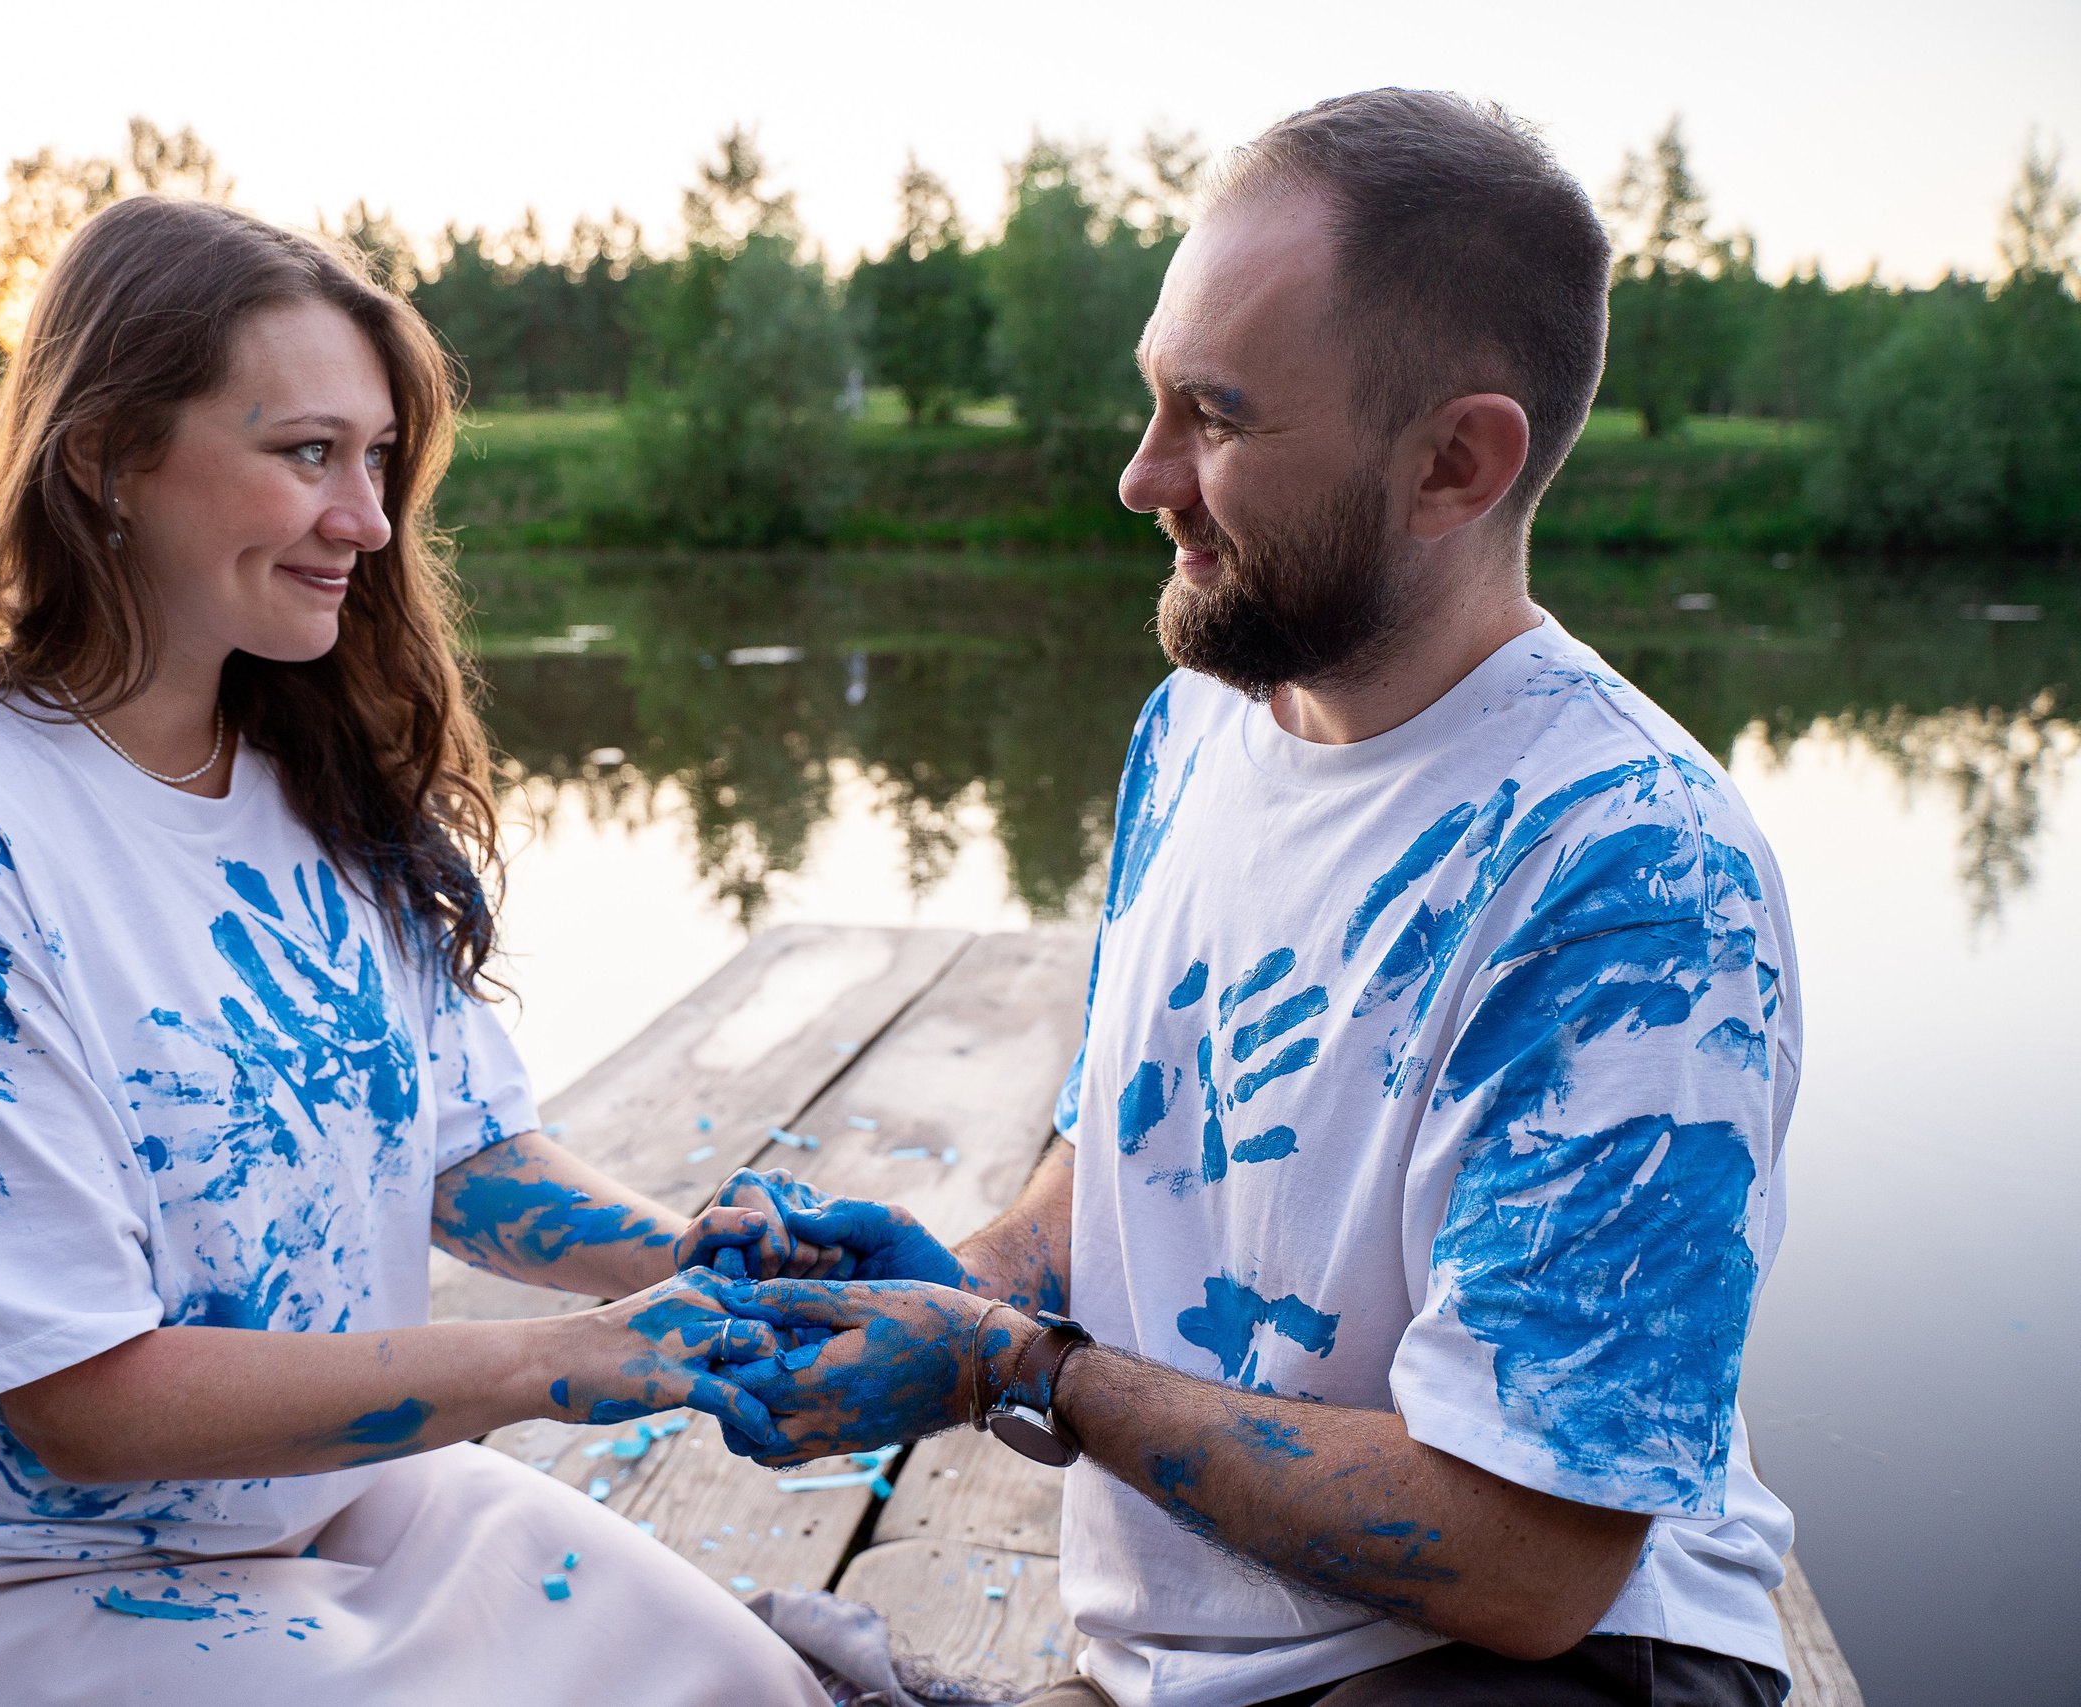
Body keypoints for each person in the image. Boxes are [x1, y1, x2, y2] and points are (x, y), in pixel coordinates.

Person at [708, 91, 1802, 1707]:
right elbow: (1105, 1183)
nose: (1142, 477)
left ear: (1454, 462)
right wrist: (958, 1287)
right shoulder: (1203, 721)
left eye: (1213, 417)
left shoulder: (1636, 879)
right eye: (1156, 402)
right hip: (1206, 1659)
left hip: (1544, 1666)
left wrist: (1025, 1373)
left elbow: (1530, 1561)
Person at [0, 195, 834, 1707]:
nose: (370, 522)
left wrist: (695, 1265)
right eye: (309, 454)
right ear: (107, 458)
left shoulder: (313, 764)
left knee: (753, 1688)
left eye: (378, 461)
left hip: (308, 1492)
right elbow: (83, 1405)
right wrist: (563, 1364)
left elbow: (458, 1158)